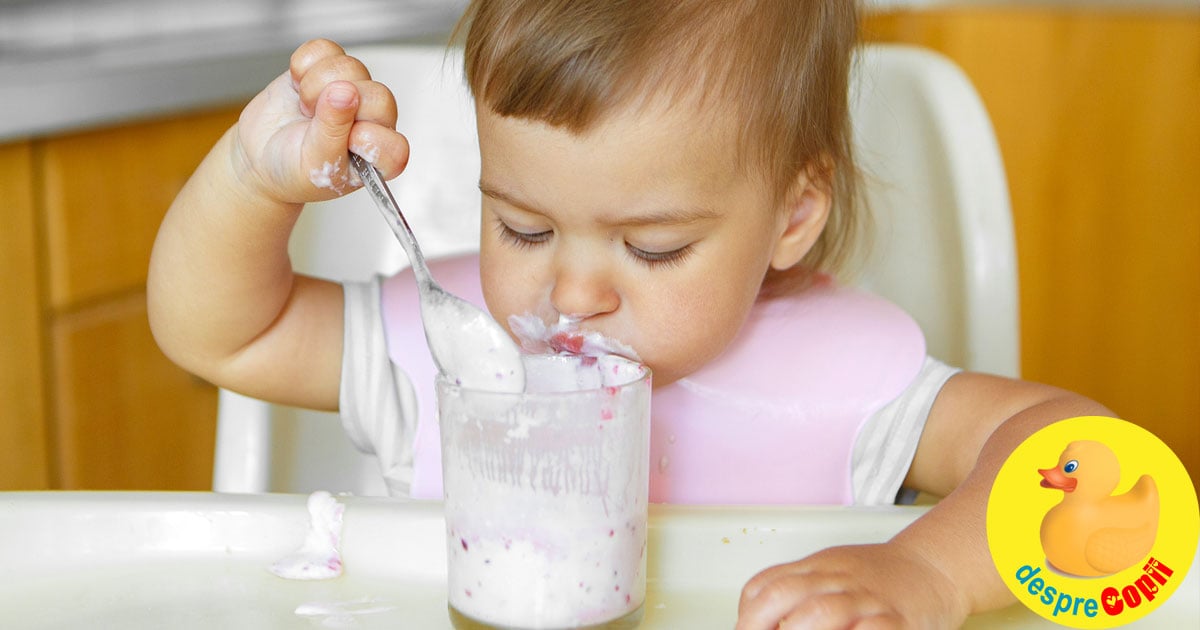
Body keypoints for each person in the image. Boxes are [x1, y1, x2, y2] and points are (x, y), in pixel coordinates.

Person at [148, 1, 1111, 627]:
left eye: (652, 250)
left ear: (793, 217)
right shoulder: (452, 350)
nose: (571, 295)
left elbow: (1080, 451)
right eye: (522, 227)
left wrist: (930, 576)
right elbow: (224, 332)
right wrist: (251, 179)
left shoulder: (845, 392)